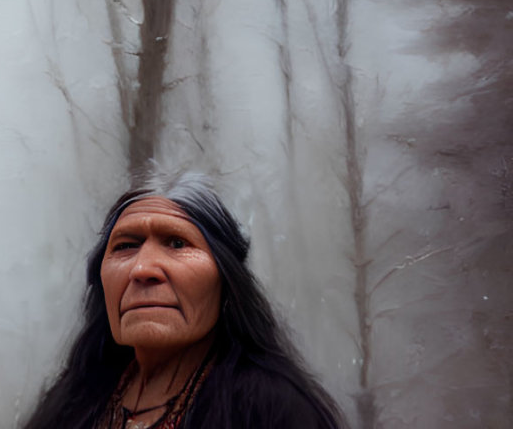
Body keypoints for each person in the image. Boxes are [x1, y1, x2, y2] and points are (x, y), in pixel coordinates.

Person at [22, 174, 345, 429]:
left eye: (177, 243)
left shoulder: (272, 412)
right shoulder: (74, 403)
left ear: (227, 280)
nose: (142, 269)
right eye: (125, 246)